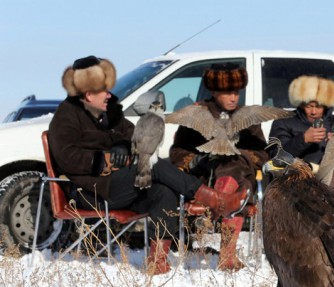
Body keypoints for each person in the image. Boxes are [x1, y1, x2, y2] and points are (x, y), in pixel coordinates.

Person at [48, 56, 247, 275]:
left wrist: (125, 147)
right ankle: (216, 200)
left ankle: (157, 261)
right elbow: (66, 157)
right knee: (154, 166)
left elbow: (134, 135)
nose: (108, 95)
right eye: (103, 90)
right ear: (88, 93)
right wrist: (105, 158)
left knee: (164, 190)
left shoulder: (110, 113)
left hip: (121, 184)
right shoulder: (65, 116)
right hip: (91, 190)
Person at [170, 62, 269, 271]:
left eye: (236, 92)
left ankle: (222, 204)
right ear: (214, 92)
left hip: (240, 179)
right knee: (232, 171)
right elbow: (177, 152)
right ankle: (227, 254)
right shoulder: (198, 113)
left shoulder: (247, 116)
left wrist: (239, 154)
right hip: (206, 182)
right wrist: (196, 160)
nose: (234, 97)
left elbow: (262, 153)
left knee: (233, 163)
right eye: (227, 92)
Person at [268, 75, 334, 259]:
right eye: (308, 105)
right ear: (300, 103)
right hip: (297, 178)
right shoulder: (284, 121)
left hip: (331, 180)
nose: (313, 111)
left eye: (318, 105)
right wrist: (302, 140)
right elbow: (275, 156)